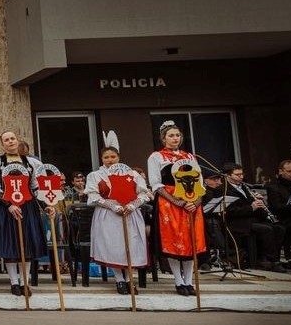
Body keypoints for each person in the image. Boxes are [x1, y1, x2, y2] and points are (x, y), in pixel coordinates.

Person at [0, 130, 52, 297]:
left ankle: (25, 282)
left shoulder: (31, 163)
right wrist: (9, 205)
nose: (10, 142)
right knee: (11, 245)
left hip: (27, 207)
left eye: (12, 139)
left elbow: (35, 186)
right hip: (6, 209)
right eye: (6, 140)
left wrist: (45, 205)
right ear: (2, 144)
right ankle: (13, 282)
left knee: (26, 246)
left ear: (17, 141)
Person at [146, 120, 206, 297]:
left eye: (177, 135)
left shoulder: (190, 157)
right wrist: (176, 201)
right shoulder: (156, 157)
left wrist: (196, 201)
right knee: (173, 240)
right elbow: (156, 184)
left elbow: (200, 183)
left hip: (192, 202)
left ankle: (189, 281)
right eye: (171, 135)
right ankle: (178, 281)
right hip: (170, 203)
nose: (175, 138)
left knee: (191, 242)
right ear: (163, 138)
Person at [85, 142, 151, 295]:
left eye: (113, 156)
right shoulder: (96, 175)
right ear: (102, 159)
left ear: (119, 157)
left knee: (131, 247)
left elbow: (143, 193)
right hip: (109, 215)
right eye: (106, 157)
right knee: (114, 247)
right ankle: (119, 279)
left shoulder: (132, 174)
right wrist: (111, 205)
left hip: (129, 213)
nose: (110, 160)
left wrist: (134, 205)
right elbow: (93, 196)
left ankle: (129, 280)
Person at [222, 163, 284, 271]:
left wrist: (259, 200)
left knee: (279, 228)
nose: (241, 177)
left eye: (242, 174)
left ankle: (269, 257)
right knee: (267, 230)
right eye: (237, 175)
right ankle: (271, 261)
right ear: (228, 176)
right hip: (238, 223)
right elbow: (230, 211)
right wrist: (251, 207)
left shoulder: (245, 187)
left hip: (252, 219)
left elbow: (254, 206)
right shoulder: (224, 189)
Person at [265, 160, 291, 268]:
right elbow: (276, 208)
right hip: (286, 219)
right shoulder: (273, 187)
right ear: (281, 171)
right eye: (290, 171)